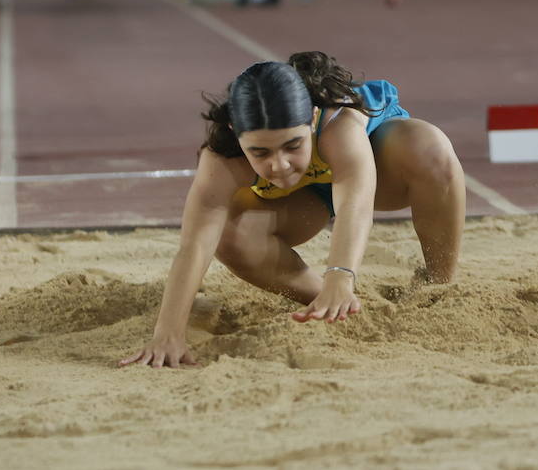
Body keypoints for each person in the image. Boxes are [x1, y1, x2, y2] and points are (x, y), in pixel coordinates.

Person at [118, 52, 466, 368]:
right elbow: (195, 244)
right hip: (302, 202)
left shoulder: (338, 123)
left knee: (429, 148)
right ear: (234, 133)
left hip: (378, 170)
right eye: (260, 153)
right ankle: (327, 301)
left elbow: (356, 206)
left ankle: (439, 287)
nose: (280, 165)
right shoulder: (222, 158)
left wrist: (341, 275)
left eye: (292, 145)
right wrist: (168, 333)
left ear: (312, 118)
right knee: (229, 232)